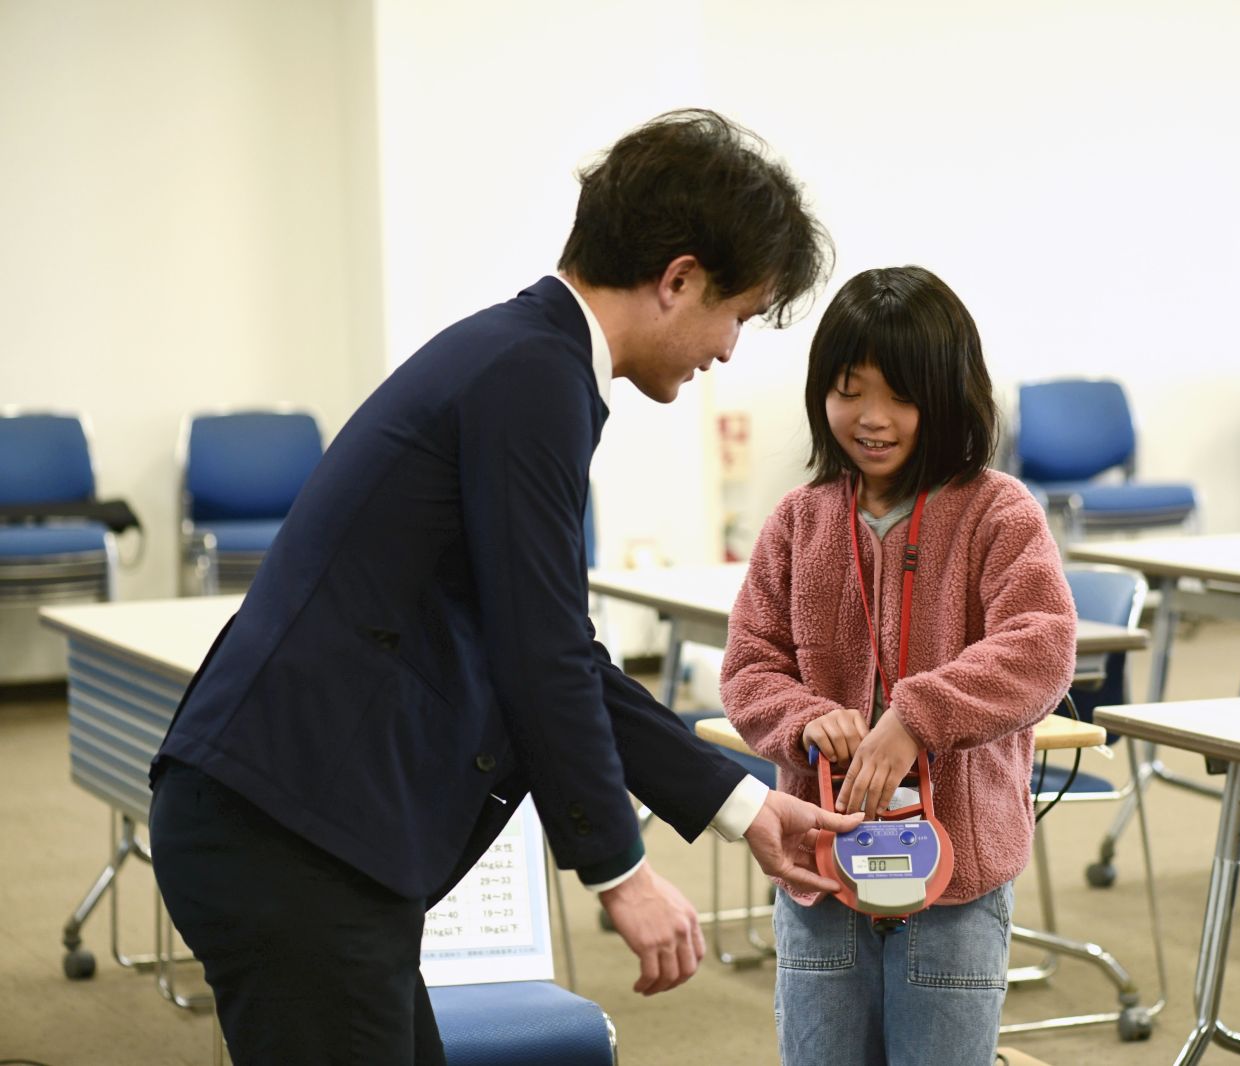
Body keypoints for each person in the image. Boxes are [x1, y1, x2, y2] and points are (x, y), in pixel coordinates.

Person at [148, 109, 861, 1065]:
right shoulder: (532, 376)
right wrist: (620, 873)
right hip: (292, 830)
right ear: (679, 279)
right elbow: (542, 653)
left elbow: (558, 651)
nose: (730, 348)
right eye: (736, 312)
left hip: (306, 828)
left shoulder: (526, 359)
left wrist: (747, 806)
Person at [720, 265, 1077, 1066]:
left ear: (948, 396)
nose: (871, 419)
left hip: (954, 881)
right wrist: (805, 717)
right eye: (848, 391)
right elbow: (749, 666)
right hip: (821, 875)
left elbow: (1042, 644)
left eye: (901, 396)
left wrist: (919, 717)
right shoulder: (799, 521)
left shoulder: (997, 512)